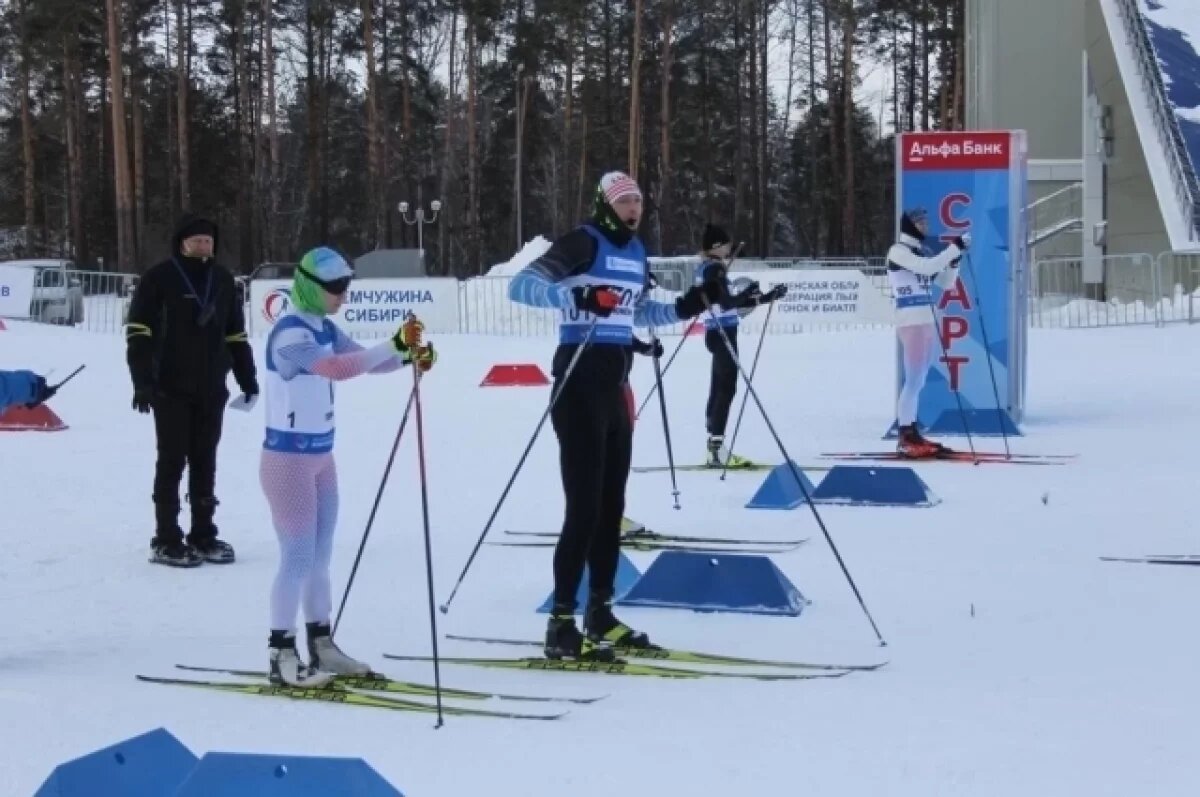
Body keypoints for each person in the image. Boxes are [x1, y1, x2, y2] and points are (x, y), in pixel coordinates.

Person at [507, 170, 726, 661]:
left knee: (610, 510)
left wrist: (691, 304)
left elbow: (640, 312)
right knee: (582, 509)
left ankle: (600, 613)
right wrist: (577, 294)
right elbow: (521, 287)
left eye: (639, 202)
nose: (633, 209)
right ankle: (561, 622)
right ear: (606, 204)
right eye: (625, 201)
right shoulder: (582, 243)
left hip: (614, 386)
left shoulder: (636, 252)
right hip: (578, 380)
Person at [259, 247, 436, 687]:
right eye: (335, 288)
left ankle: (322, 644)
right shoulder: (289, 334)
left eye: (346, 286)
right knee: (297, 558)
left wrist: (410, 356)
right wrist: (392, 345)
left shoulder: (324, 327)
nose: (344, 295)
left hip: (321, 456)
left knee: (319, 559)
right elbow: (338, 369)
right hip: (288, 462)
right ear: (309, 286)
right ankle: (281, 651)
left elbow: (368, 362)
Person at [125, 213, 259, 568]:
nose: (204, 245)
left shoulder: (223, 279)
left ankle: (203, 534)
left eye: (209, 240)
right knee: (172, 460)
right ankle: (165, 537)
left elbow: (235, 334)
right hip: (169, 387)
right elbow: (139, 331)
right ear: (182, 242)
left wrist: (247, 379)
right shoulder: (160, 278)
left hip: (211, 387)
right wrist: (142, 380)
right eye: (197, 240)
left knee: (205, 460)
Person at [693, 223, 786, 467]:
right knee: (726, 387)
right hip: (722, 333)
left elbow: (730, 302)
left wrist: (765, 297)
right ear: (717, 246)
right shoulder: (714, 269)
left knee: (719, 386)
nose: (729, 249)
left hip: (719, 333)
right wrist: (748, 294)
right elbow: (727, 302)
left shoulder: (710, 268)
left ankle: (714, 441)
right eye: (726, 244)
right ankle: (716, 447)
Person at [886, 207, 970, 458]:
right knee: (913, 380)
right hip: (911, 321)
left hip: (925, 320)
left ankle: (911, 430)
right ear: (909, 226)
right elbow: (925, 268)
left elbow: (946, 283)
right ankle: (905, 434)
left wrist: (954, 263)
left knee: (919, 380)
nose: (925, 226)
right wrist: (953, 249)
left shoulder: (920, 252)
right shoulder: (898, 251)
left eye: (926, 221)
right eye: (920, 222)